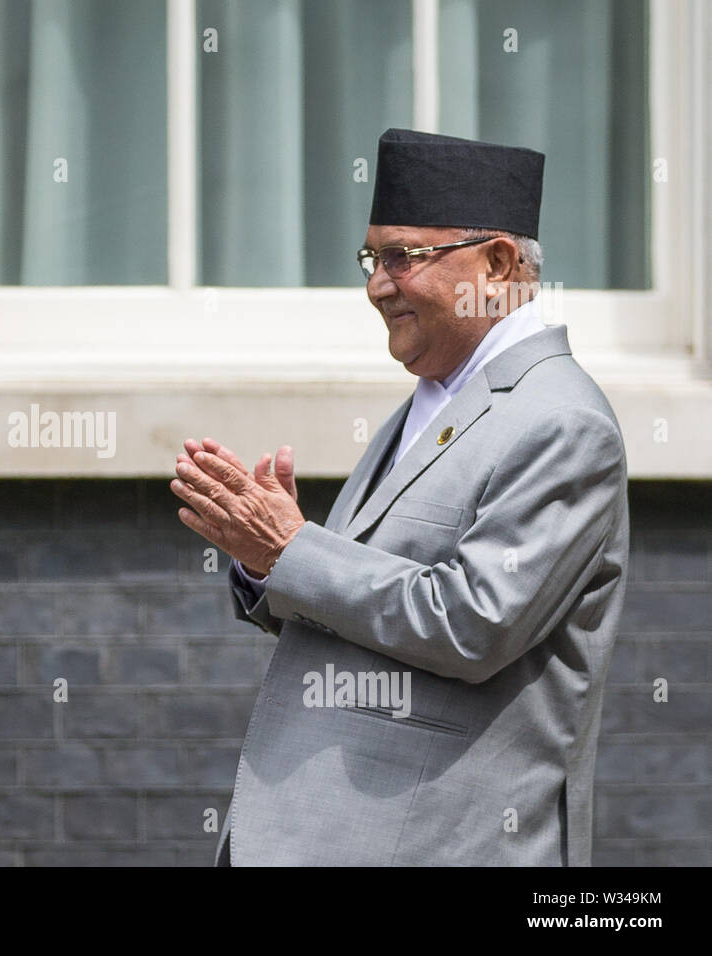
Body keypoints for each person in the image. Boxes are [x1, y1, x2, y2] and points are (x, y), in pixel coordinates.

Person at [171, 128, 629, 866]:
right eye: (371, 259)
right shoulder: (438, 397)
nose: (377, 284)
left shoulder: (560, 420)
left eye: (401, 257)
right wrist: (268, 564)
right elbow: (364, 602)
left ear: (498, 262)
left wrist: (294, 550)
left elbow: (474, 624)